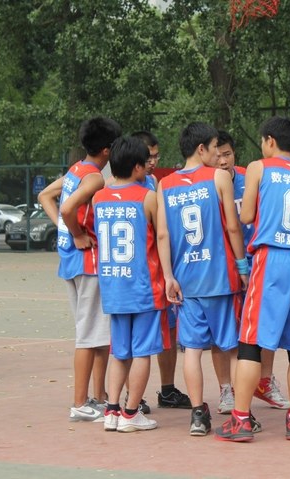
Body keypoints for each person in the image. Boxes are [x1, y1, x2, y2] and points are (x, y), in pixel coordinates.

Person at [216, 116, 290, 442]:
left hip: (272, 257)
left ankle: (241, 420)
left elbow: (246, 215)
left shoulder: (259, 167)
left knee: (250, 341)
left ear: (270, 141)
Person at [156, 122, 249, 437]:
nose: (218, 156)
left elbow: (163, 235)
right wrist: (242, 266)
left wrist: (169, 276)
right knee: (233, 348)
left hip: (187, 281)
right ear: (201, 149)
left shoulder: (165, 185)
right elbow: (233, 227)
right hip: (220, 278)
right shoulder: (218, 177)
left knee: (193, 350)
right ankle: (241, 413)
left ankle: (198, 414)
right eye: (214, 148)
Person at [38, 117, 121, 421]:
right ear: (107, 150)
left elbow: (45, 196)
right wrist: (75, 232)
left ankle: (98, 397)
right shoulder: (95, 178)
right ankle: (79, 403)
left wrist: (64, 228)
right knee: (88, 336)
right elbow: (66, 207)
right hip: (88, 263)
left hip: (71, 263)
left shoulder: (76, 169)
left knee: (97, 335)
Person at [93, 136, 166, 433]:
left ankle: (111, 410)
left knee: (119, 351)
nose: (149, 166)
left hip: (114, 286)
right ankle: (131, 412)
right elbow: (162, 236)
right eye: (146, 162)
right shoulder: (147, 197)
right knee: (142, 352)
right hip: (143, 286)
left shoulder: (99, 198)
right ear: (137, 167)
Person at [216, 130, 290, 412]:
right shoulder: (207, 183)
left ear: (234, 153)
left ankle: (264, 381)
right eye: (217, 155)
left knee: (265, 324)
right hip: (223, 266)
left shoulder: (252, 176)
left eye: (227, 154)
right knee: (224, 330)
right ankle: (227, 389)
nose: (223, 161)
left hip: (258, 260)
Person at [131, 130, 191, 412]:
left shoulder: (154, 182)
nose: (154, 161)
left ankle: (167, 389)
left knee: (169, 327)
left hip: (158, 269)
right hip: (135, 275)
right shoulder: (118, 186)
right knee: (132, 337)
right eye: (149, 157)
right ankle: (132, 397)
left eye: (156, 155)